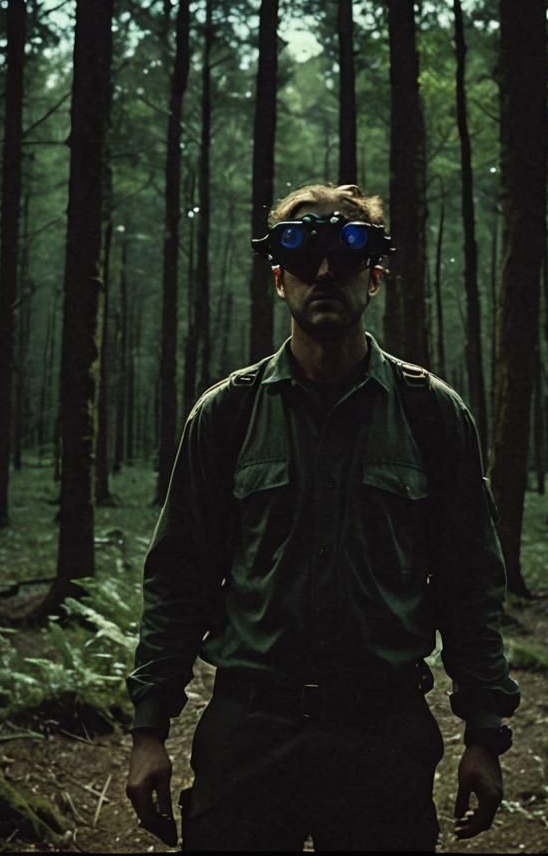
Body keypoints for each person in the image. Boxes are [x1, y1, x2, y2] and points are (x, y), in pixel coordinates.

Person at [125, 183, 520, 851]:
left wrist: (484, 734)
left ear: (376, 277)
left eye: (348, 254)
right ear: (280, 279)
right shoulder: (228, 415)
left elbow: (470, 584)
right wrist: (148, 730)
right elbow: (179, 579)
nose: (327, 272)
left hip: (382, 735)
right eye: (305, 258)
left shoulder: (430, 415)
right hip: (251, 733)